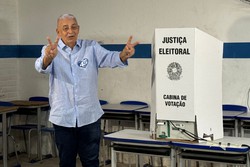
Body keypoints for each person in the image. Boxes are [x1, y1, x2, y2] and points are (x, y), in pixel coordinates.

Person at [35, 13, 139, 167]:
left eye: (74, 27)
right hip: (63, 118)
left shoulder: (91, 47)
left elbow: (110, 58)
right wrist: (48, 58)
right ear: (58, 32)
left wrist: (124, 54)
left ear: (78, 29)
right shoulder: (50, 50)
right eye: (65, 28)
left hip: (89, 117)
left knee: (91, 162)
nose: (70, 31)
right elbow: (40, 66)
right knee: (66, 162)